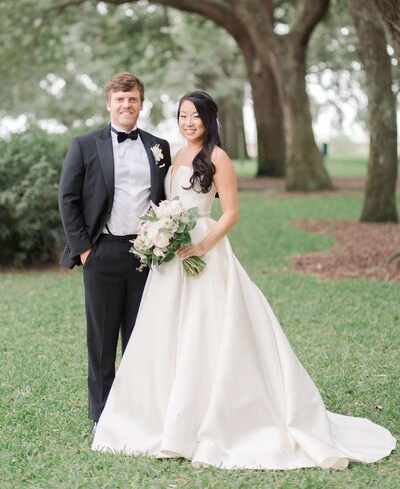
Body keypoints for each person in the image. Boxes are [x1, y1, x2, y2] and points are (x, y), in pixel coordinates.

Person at [92, 91, 395, 470]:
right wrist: (160, 233)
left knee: (209, 328)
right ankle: (165, 415)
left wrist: (202, 245)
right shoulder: (172, 155)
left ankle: (218, 418)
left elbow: (231, 212)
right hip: (170, 258)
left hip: (204, 250)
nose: (188, 122)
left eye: (195, 116)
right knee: (168, 331)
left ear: (208, 120)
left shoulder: (217, 158)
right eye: (183, 115)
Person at [58, 72, 171, 432]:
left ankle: (139, 412)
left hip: (145, 256)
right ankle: (102, 417)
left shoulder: (158, 147)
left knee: (140, 338)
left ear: (141, 103)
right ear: (109, 103)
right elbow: (68, 200)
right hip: (102, 252)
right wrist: (85, 250)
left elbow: (167, 199)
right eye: (120, 99)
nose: (127, 105)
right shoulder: (84, 145)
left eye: (133, 99)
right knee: (102, 341)